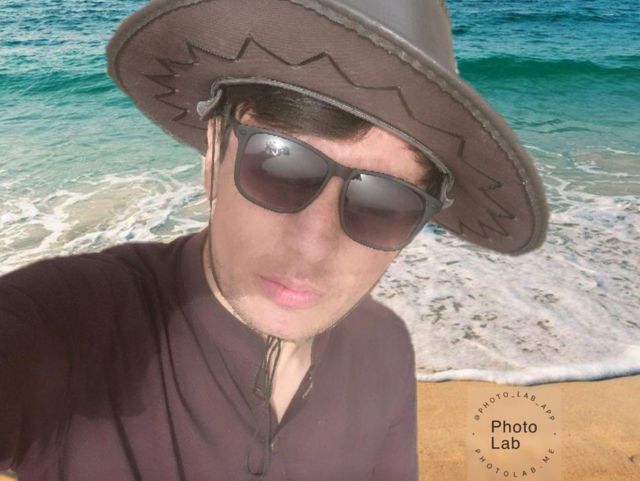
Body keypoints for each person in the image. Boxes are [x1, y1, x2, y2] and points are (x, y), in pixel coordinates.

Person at [0, 0, 549, 480]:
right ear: (215, 151)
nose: (313, 247)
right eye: (279, 166)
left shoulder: (385, 348)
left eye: (385, 204)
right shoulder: (73, 323)